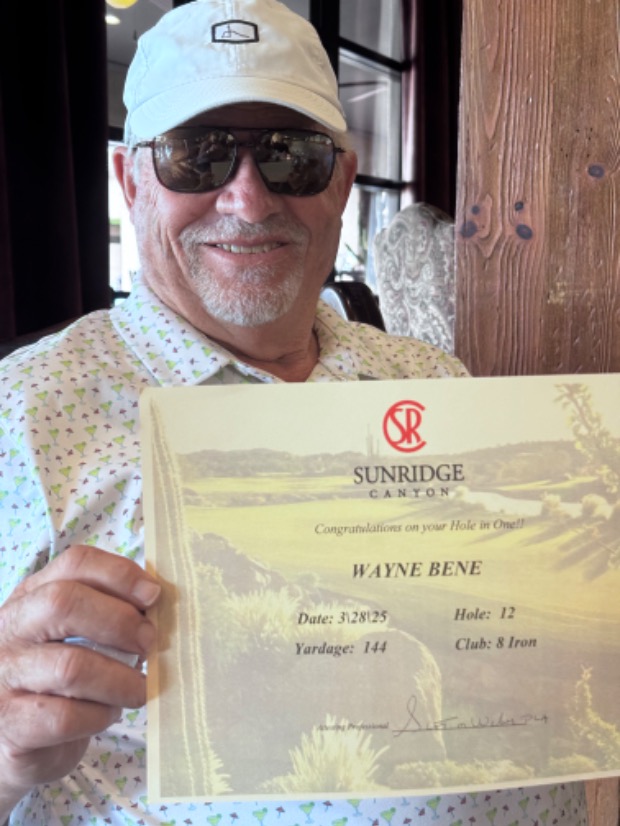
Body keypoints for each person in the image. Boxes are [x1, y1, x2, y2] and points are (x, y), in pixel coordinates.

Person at [0, 0, 588, 823]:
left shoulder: (432, 379)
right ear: (132, 181)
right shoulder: (23, 414)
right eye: (196, 155)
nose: (247, 200)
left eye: (292, 156)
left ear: (341, 183)